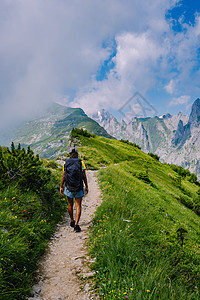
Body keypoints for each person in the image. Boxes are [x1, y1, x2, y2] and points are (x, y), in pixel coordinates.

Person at [60, 148, 88, 232]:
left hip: (69, 186)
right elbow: (84, 176)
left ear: (70, 155)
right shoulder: (81, 162)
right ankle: (76, 224)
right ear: (77, 155)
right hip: (79, 186)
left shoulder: (66, 162)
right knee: (78, 205)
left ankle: (71, 220)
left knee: (69, 203)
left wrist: (61, 186)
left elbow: (64, 176)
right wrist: (86, 186)